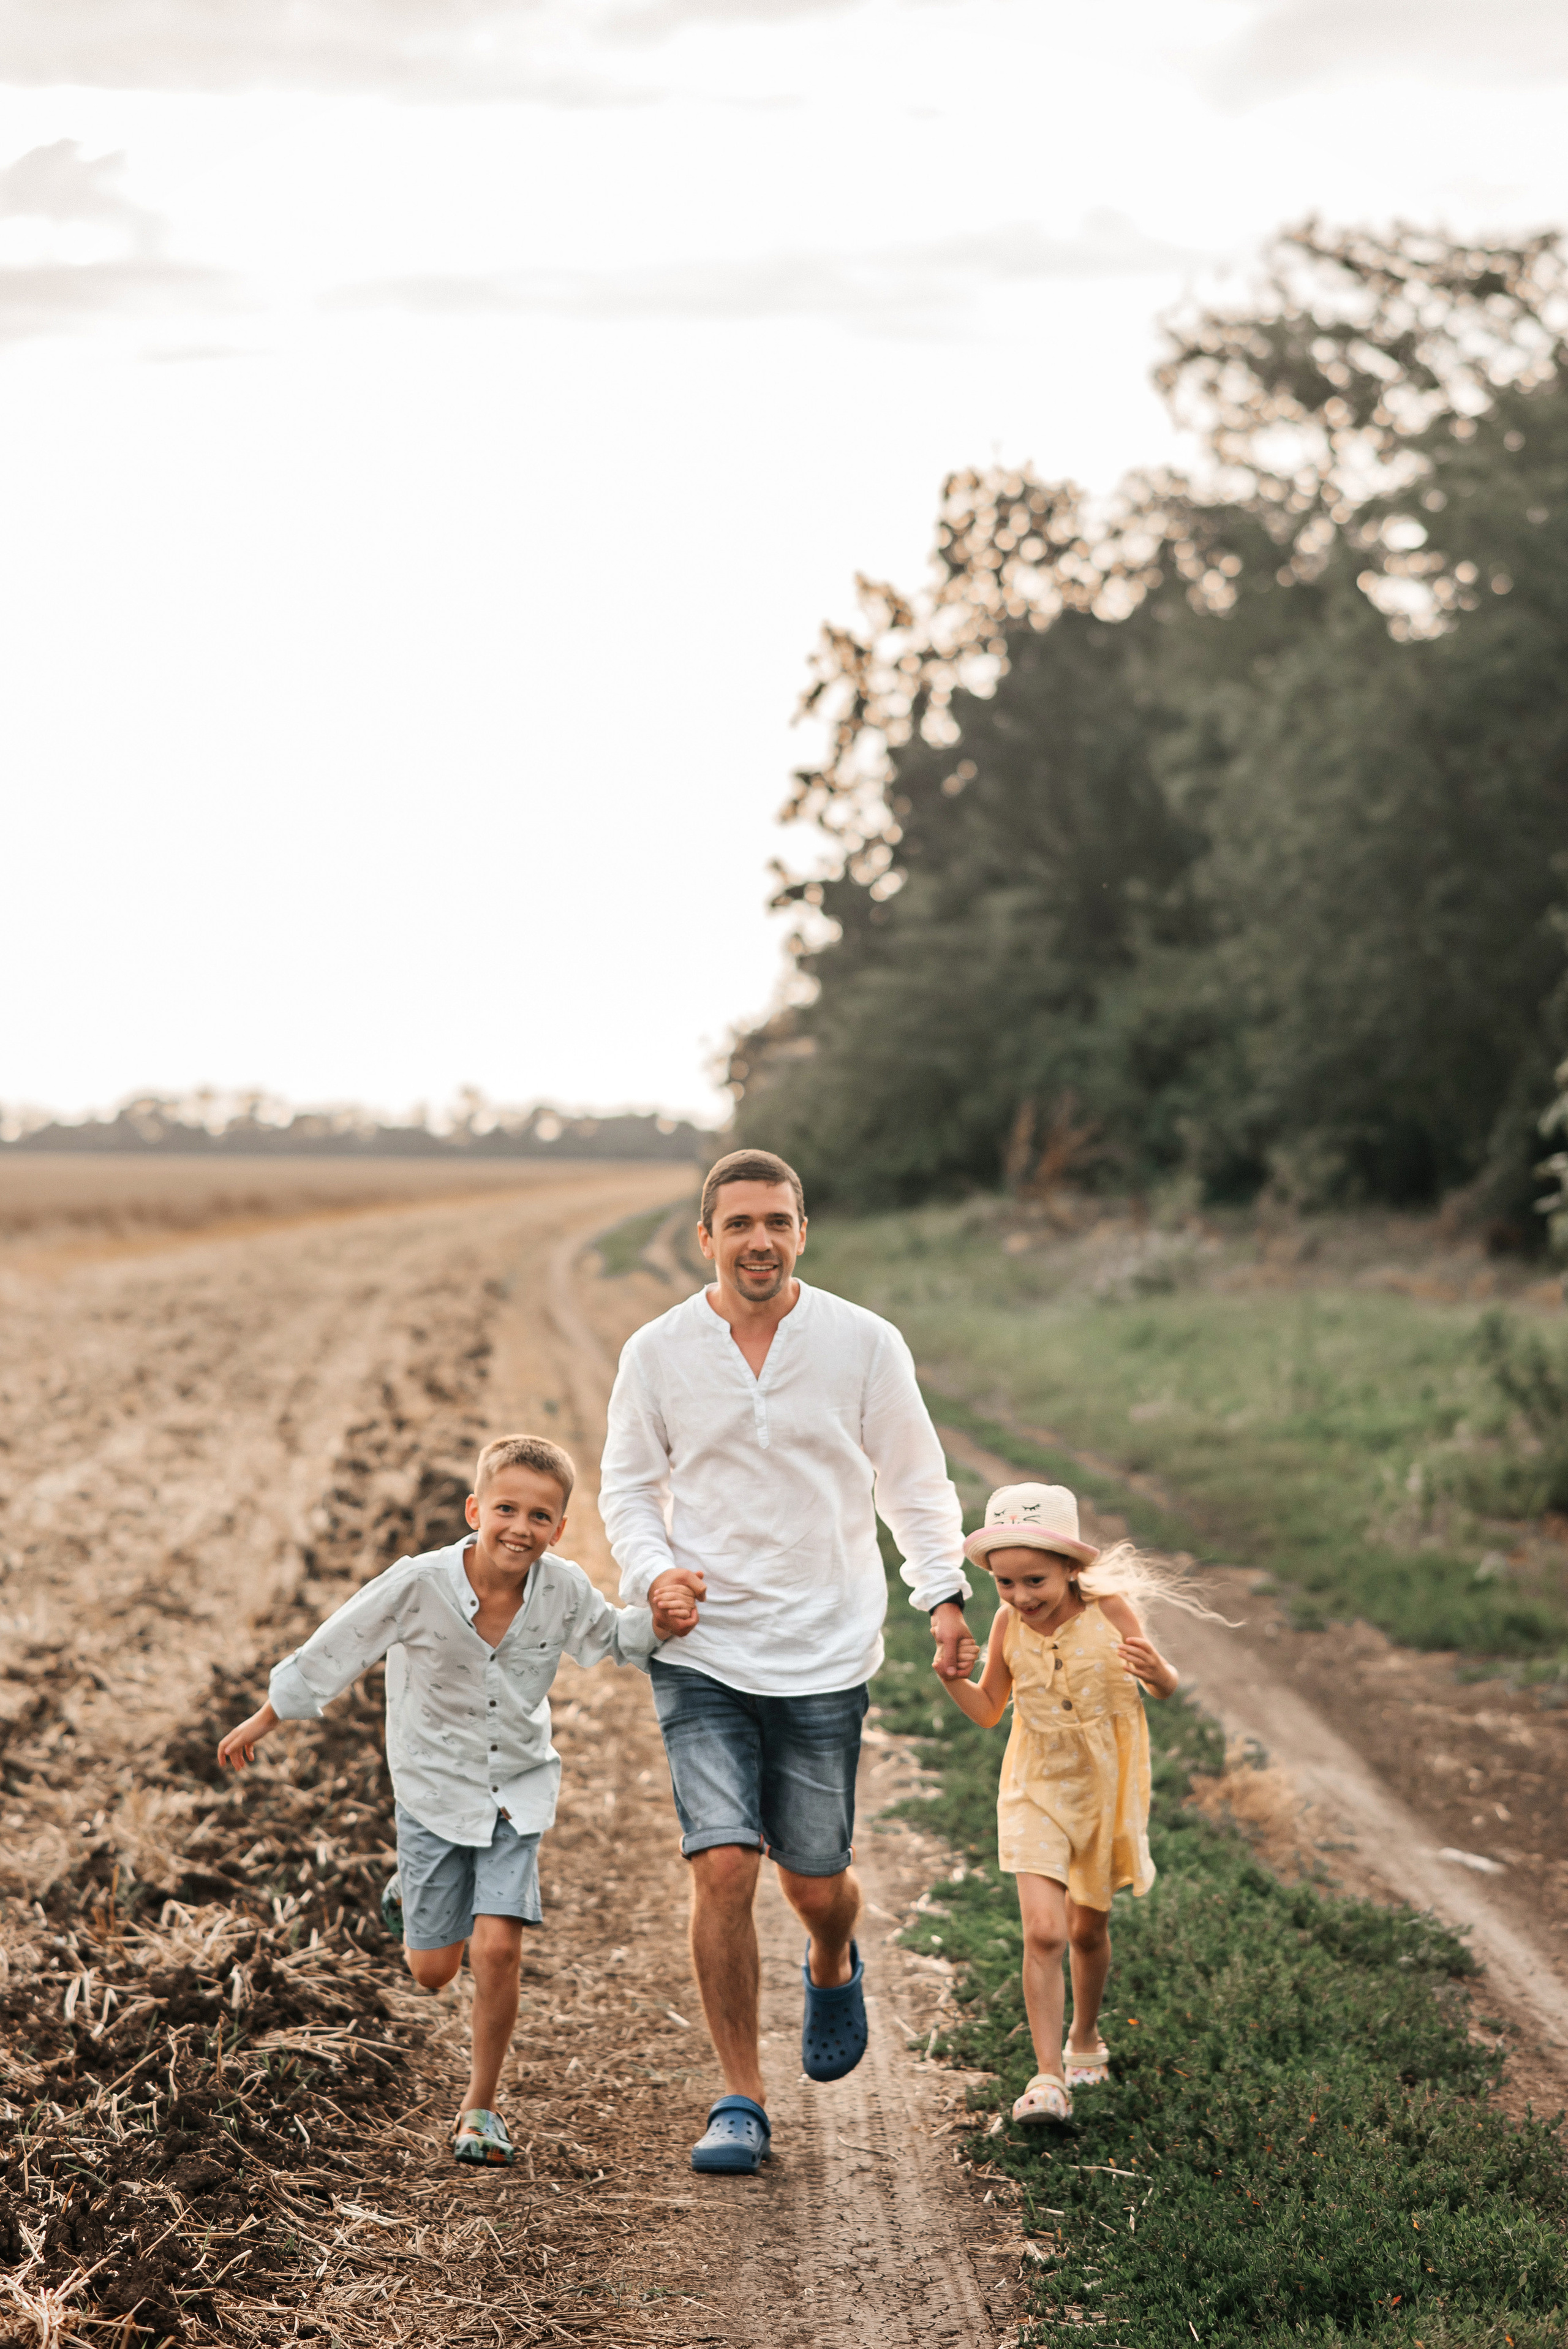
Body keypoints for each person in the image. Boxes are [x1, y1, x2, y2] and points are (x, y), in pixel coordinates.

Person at [600, 1147, 978, 2176]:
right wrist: (653, 1571)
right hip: (704, 1648)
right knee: (723, 1861)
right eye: (738, 1223)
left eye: (776, 1220)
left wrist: (941, 1592)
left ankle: (832, 1955)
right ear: (706, 1238)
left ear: (801, 1230)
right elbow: (628, 1487)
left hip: (825, 1647)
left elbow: (916, 1481)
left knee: (817, 1883)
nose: (758, 1239)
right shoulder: (659, 1350)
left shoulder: (863, 1342)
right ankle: (740, 2096)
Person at [216, 1433, 685, 2166]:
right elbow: (341, 1644)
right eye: (506, 1508)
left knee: (498, 1948)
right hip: (433, 1790)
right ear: (475, 1509)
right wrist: (267, 1716)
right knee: (432, 1971)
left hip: (516, 1790)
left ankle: (481, 2107)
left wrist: (661, 1618)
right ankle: (412, 1888)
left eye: (539, 1516)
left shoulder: (561, 1589)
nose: (520, 1529)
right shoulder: (420, 1584)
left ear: (560, 1529)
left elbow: (614, 1640)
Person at [940, 1480, 1205, 2125]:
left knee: (1089, 1930)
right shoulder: (1006, 1623)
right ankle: (1047, 2078)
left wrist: (1158, 1674)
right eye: (1005, 1584)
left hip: (1104, 1791)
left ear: (1069, 1567)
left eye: (1034, 1581)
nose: (1019, 1598)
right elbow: (987, 1712)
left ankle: (1085, 2035)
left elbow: (1164, 1688)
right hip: (1034, 1785)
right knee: (1044, 1929)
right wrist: (952, 1679)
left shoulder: (1110, 1610)